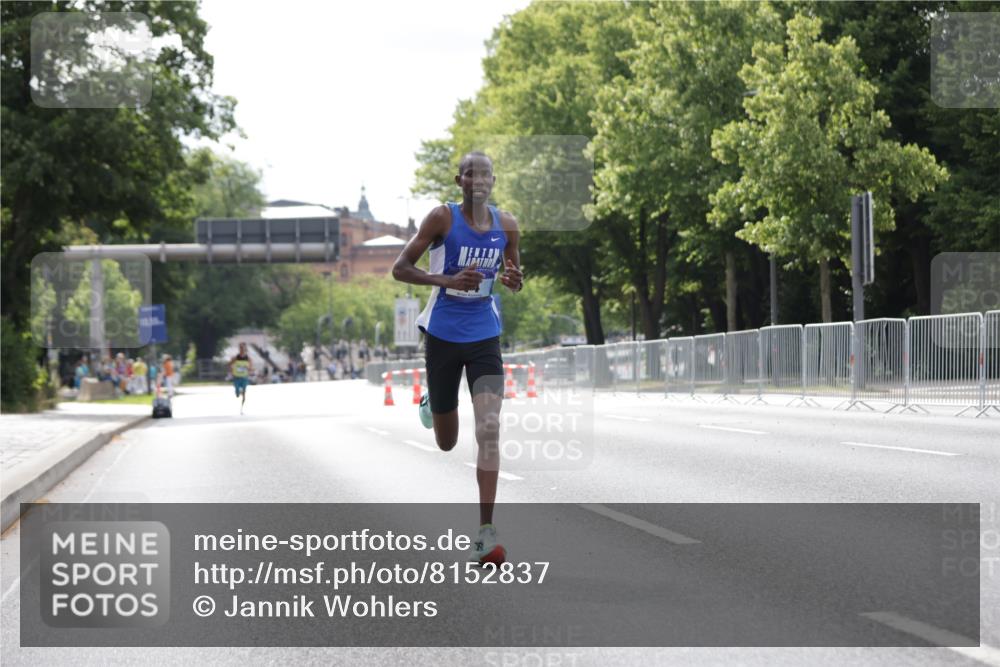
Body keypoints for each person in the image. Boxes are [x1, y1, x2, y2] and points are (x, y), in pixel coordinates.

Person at [392, 151, 523, 565]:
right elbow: (400, 268)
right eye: (471, 174)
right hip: (443, 334)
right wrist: (445, 279)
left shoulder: (508, 225)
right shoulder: (441, 219)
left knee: (489, 427)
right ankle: (434, 400)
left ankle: (486, 532)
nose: (478, 180)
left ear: (493, 181)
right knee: (447, 442)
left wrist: (514, 278)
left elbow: (512, 275)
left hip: (485, 333)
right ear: (459, 181)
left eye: (485, 174)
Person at [229, 342, 253, 413]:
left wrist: (248, 368)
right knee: (237, 394)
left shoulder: (248, 358)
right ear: (239, 349)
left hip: (244, 377)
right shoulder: (236, 357)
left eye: (243, 348)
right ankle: (239, 391)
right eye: (241, 348)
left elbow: (250, 368)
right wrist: (232, 370)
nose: (242, 349)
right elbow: (230, 364)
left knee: (244, 393)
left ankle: (242, 408)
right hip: (237, 377)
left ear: (245, 349)